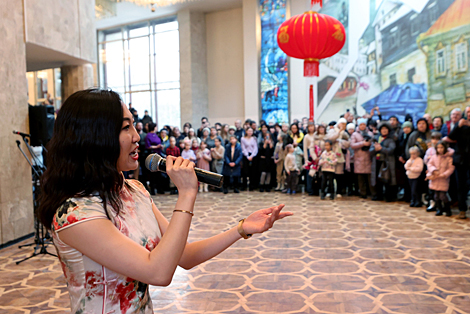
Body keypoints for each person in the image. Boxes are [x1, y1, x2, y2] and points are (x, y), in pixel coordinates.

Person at [37, 89, 292, 314]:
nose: (137, 137)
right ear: (95, 138)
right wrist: (187, 194)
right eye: (126, 128)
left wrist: (241, 228)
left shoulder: (134, 190)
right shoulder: (75, 214)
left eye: (134, 126)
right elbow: (158, 272)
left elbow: (186, 256)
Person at [445, 106, 470, 219]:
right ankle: (462, 209)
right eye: (468, 111)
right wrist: (458, 126)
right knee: (460, 185)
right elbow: (451, 137)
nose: (469, 113)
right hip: (460, 159)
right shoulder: (461, 123)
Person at [426, 141, 455, 216]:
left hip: (443, 179)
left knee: (442, 196)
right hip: (435, 179)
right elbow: (429, 164)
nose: (440, 149)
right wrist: (433, 170)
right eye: (438, 147)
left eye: (441, 147)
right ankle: (439, 209)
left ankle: (447, 209)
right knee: (436, 196)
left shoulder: (448, 158)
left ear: (445, 148)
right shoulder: (434, 157)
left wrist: (445, 174)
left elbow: (451, 168)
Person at [370, 123, 396, 202]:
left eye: (386, 129)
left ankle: (389, 196)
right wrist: (375, 149)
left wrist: (381, 149)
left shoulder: (391, 139)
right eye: (382, 129)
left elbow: (391, 150)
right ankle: (378, 195)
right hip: (377, 161)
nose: (384, 131)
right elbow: (370, 151)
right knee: (377, 179)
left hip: (387, 162)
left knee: (387, 178)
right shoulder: (376, 138)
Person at [325, 118, 350, 197]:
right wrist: (338, 133)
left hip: (340, 156)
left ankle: (339, 191)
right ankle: (330, 191)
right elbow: (330, 139)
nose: (342, 125)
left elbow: (348, 143)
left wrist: (341, 141)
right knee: (331, 175)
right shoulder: (332, 130)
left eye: (344, 124)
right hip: (331, 156)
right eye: (341, 123)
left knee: (339, 175)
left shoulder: (344, 133)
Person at [350, 118, 374, 199]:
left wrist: (370, 144)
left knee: (369, 177)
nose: (362, 126)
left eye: (364, 124)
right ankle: (362, 193)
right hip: (359, 158)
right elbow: (352, 145)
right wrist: (362, 143)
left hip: (369, 157)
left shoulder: (370, 133)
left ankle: (371, 192)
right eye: (361, 125)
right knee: (360, 178)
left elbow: (374, 143)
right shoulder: (355, 134)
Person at [145, 123, 163, 195]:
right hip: (152, 155)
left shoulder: (156, 135)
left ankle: (159, 189)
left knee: (159, 173)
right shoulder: (148, 136)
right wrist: (156, 147)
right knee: (152, 173)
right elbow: (148, 146)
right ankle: (152, 190)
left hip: (158, 155)